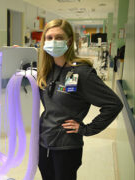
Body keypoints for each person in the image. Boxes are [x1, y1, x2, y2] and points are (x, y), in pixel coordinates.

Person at [36, 19, 123, 180]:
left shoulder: (82, 73)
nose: (53, 42)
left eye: (59, 37)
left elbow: (113, 104)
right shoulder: (46, 71)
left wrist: (87, 129)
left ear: (69, 41)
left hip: (66, 147)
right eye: (49, 38)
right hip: (43, 142)